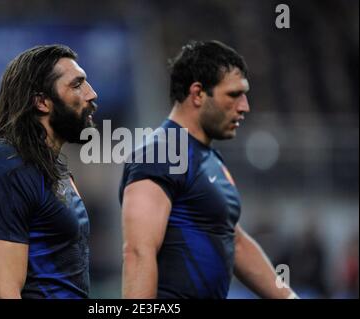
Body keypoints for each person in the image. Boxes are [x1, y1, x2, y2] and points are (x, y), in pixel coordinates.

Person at [119, 40, 299, 299]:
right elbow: (137, 251)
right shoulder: (162, 152)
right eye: (234, 94)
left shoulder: (208, 157)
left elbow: (234, 241)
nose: (244, 106)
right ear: (198, 94)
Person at [0, 44, 98, 299]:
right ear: (41, 102)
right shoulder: (5, 168)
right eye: (77, 84)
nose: (92, 94)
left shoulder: (51, 167)